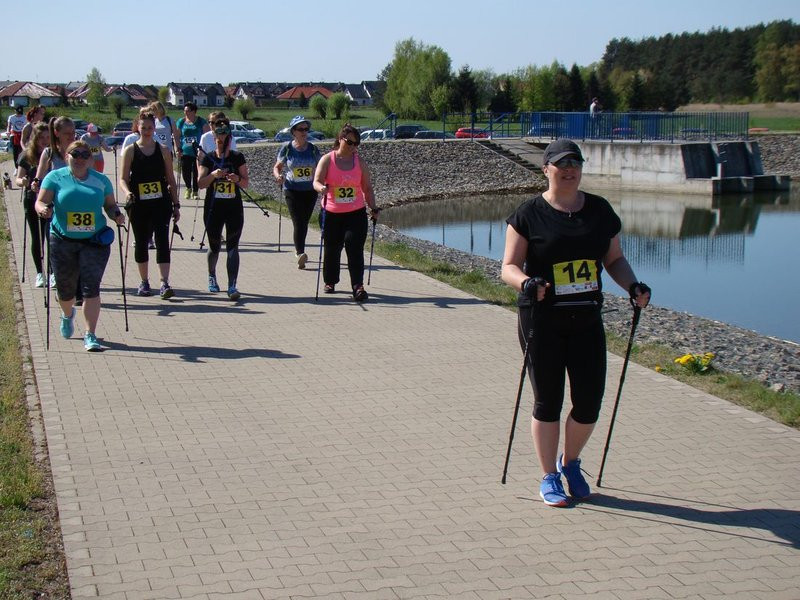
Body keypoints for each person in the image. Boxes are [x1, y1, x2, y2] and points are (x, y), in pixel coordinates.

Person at [500, 138, 651, 507]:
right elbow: (508, 268)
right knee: (547, 401)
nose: (569, 170)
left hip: (585, 317)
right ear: (546, 169)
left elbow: (613, 259)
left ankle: (571, 464)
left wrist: (633, 285)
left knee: (588, 402)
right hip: (542, 319)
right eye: (561, 163)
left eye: (575, 163)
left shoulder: (599, 211)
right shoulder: (528, 214)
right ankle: (548, 475)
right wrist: (527, 282)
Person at [34, 140, 126, 351]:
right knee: (66, 290)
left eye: (85, 155)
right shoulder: (55, 177)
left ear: (91, 159)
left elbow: (110, 205)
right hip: (62, 240)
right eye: (76, 154)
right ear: (67, 156)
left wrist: (117, 216)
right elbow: (40, 201)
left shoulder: (101, 180)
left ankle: (90, 334)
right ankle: (67, 315)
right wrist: (42, 209)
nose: (80, 158)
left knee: (90, 287)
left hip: (94, 241)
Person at [312, 124, 379, 301]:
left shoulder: (360, 163)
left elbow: (367, 188)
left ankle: (358, 286)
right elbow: (316, 180)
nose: (353, 147)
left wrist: (373, 207)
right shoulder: (328, 159)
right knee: (332, 248)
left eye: (356, 144)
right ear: (340, 139)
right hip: (331, 213)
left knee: (354, 247)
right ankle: (330, 280)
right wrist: (322, 189)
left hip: (355, 213)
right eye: (349, 142)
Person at [118, 112, 181, 299]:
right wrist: (127, 192)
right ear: (137, 127)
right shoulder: (130, 150)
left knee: (162, 240)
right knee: (142, 241)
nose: (146, 131)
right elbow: (122, 178)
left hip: (160, 202)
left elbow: (170, 178)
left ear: (154, 128)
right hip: (138, 203)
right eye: (143, 127)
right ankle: (144, 281)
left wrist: (176, 204)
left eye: (149, 128)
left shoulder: (162, 150)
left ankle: (164, 282)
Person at [197, 115, 249, 300]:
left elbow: (246, 183)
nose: (222, 137)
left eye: (225, 132)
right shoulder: (208, 158)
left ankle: (232, 286)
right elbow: (201, 184)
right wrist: (213, 175)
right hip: (213, 208)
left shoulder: (237, 157)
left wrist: (237, 179)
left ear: (230, 136)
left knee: (233, 246)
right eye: (218, 133)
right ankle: (212, 275)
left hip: (233, 207)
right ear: (214, 136)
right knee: (214, 245)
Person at [273, 115, 321, 269]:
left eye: (306, 129)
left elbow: (321, 166)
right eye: (301, 129)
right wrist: (278, 176)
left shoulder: (313, 149)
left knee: (304, 221)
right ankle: (300, 253)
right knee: (298, 221)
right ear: (293, 131)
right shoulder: (287, 148)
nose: (304, 132)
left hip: (309, 190)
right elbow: (277, 167)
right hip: (292, 189)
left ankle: (300, 250)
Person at [15, 122, 50, 287]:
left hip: (50, 200)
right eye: (41, 137)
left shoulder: (52, 154)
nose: (45, 140)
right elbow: (18, 179)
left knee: (50, 236)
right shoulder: (26, 156)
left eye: (48, 137)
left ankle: (52, 272)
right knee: (37, 237)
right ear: (35, 138)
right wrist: (23, 181)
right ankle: (39, 273)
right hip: (32, 199)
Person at [176, 101, 209, 200]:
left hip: (197, 152)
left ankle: (195, 191)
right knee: (185, 171)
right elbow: (177, 136)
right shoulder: (181, 122)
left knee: (196, 171)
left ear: (194, 111)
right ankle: (188, 188)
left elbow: (207, 135)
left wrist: (204, 150)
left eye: (188, 111)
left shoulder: (200, 121)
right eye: (184, 111)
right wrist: (177, 149)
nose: (186, 113)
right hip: (185, 151)